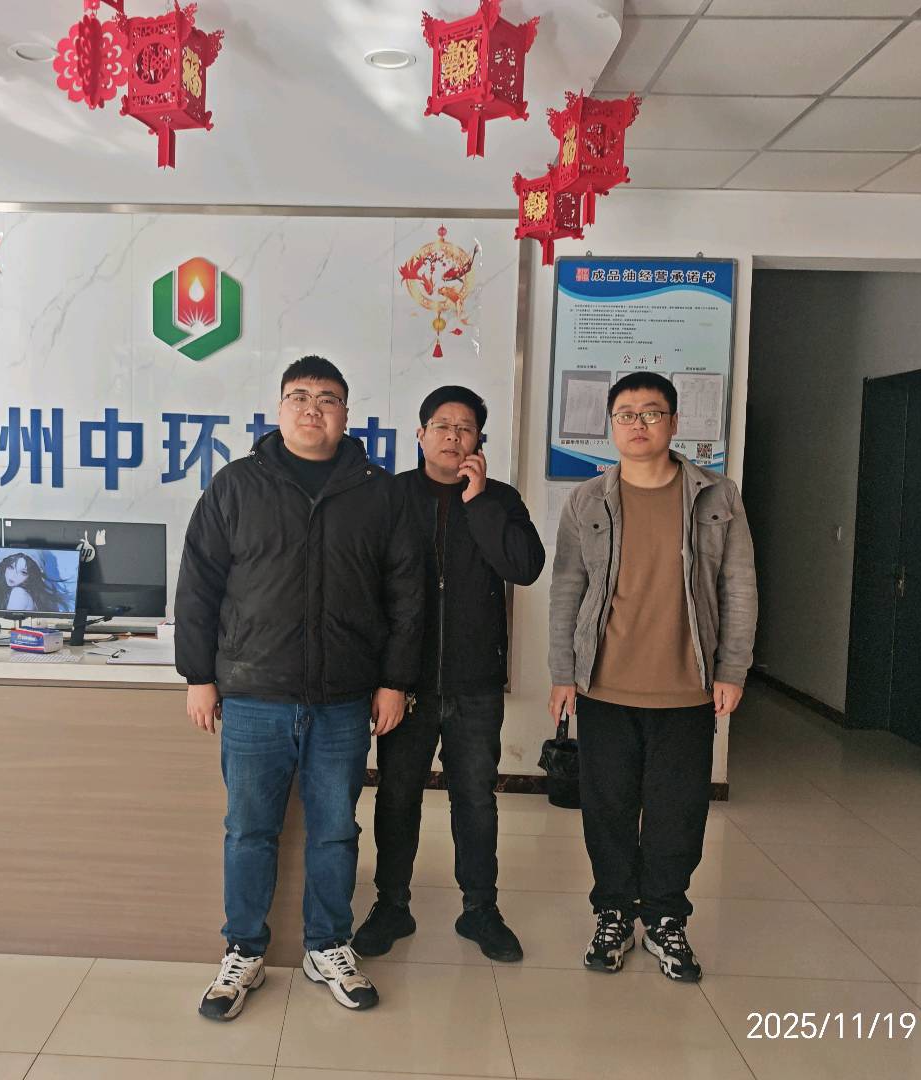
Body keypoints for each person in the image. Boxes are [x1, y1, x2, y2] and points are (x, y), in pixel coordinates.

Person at [175, 355, 423, 1021]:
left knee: (335, 831)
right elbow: (198, 584)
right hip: (255, 693)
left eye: (328, 399)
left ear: (346, 413)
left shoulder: (379, 492)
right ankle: (243, 950)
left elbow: (406, 596)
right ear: (279, 409)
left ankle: (328, 946)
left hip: (344, 698)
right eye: (299, 396)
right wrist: (198, 675)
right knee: (248, 831)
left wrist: (395, 681)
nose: (313, 408)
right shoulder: (236, 485)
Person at [548, 371, 757, 983]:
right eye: (625, 414)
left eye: (651, 412)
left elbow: (739, 585)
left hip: (687, 687)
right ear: (610, 425)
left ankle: (666, 917)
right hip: (603, 683)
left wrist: (733, 668)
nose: (637, 424)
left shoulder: (717, 496)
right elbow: (567, 588)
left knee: (678, 811)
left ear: (673, 423)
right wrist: (563, 672)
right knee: (607, 809)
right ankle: (613, 912)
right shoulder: (587, 500)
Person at [353, 385, 544, 962]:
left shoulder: (500, 499)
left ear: (479, 440)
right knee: (397, 796)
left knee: (476, 799)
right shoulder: (389, 496)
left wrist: (478, 502)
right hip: (404, 681)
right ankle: (392, 904)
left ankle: (480, 909)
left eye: (465, 428)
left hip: (475, 680)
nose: (453, 436)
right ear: (420, 434)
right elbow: (364, 580)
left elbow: (524, 567)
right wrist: (380, 675)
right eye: (442, 425)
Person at [0, 551, 73, 612]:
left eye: (23, 572)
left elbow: (10, 631)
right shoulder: (24, 593)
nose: (13, 576)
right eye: (11, 567)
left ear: (31, 576)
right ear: (4, 567)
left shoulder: (18, 593)